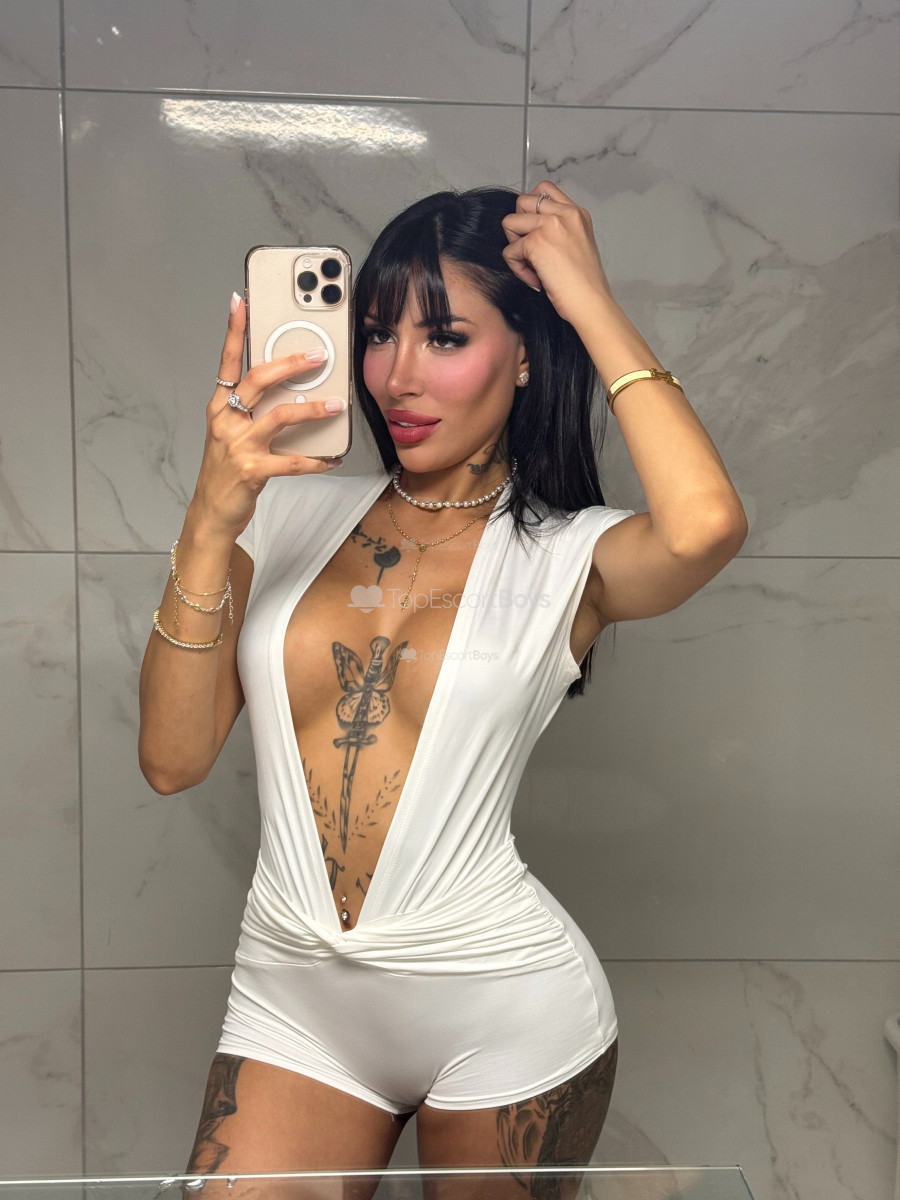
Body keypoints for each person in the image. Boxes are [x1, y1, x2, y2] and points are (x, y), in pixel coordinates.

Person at [138, 181, 747, 1188]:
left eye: (445, 338)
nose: (397, 376)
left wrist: (588, 302)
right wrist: (210, 512)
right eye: (378, 335)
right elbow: (171, 758)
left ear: (524, 355)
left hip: (504, 1009)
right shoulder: (277, 516)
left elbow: (705, 527)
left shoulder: (571, 556)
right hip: (293, 1006)